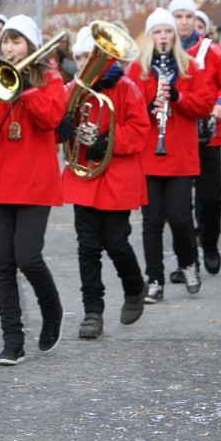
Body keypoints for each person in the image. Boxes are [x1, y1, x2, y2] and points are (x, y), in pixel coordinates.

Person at [0, 15, 65, 365]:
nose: (9, 47)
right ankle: (13, 339)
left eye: (17, 41)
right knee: (3, 264)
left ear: (31, 46)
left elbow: (52, 118)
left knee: (28, 256)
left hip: (36, 180)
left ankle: (52, 310)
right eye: (5, 41)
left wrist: (24, 88)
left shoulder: (50, 78)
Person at [62, 26, 150, 339]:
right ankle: (92, 313)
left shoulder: (127, 87)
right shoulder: (72, 88)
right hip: (84, 176)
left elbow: (140, 132)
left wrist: (108, 140)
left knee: (116, 243)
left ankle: (134, 286)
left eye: (89, 55)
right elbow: (57, 121)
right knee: (88, 248)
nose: (85, 62)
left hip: (116, 179)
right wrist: (61, 129)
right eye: (80, 56)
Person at [127, 8, 214, 304]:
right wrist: (150, 105)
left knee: (179, 218)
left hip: (180, 155)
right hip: (149, 155)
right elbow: (130, 112)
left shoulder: (189, 67)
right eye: (158, 32)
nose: (163, 37)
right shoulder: (136, 70)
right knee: (151, 221)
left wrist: (177, 96)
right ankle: (154, 280)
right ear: (150, 37)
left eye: (168, 32)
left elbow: (203, 106)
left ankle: (189, 264)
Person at [169, 0, 221, 277]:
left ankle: (209, 244)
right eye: (178, 16)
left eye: (188, 16)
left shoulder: (212, 50)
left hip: (208, 133)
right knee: (179, 203)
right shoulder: (163, 50)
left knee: (210, 198)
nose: (184, 21)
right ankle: (185, 261)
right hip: (177, 135)